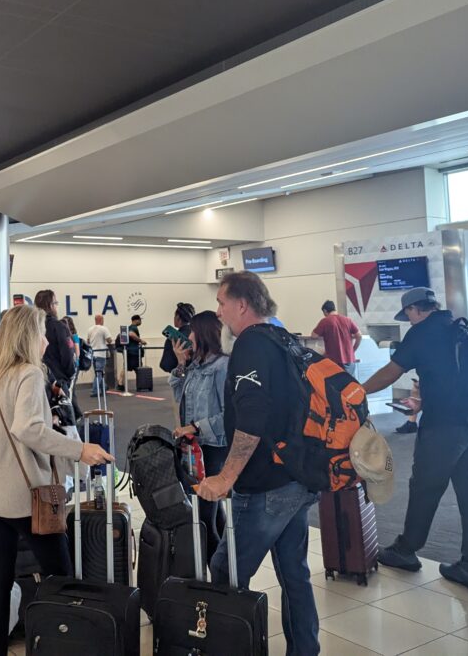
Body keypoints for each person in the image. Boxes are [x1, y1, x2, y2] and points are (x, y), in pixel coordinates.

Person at [0, 305, 112, 656]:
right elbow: (28, 429)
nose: (46, 340)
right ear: (27, 337)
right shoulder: (29, 375)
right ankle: (64, 644)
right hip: (28, 497)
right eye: (41, 332)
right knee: (61, 578)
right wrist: (79, 450)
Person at [196, 272, 320, 656]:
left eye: (221, 303)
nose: (219, 312)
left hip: (266, 484)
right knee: (294, 573)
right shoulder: (284, 339)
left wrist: (225, 476)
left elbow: (251, 420)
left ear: (242, 305)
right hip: (297, 476)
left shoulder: (250, 345)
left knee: (226, 572)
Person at [362, 287, 468, 591]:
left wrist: (357, 391)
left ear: (412, 311)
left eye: (407, 314)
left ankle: (406, 550)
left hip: (444, 425)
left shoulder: (421, 333)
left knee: (424, 487)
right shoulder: (460, 327)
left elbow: (391, 372)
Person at [169, 310, 228, 565]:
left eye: (192, 331)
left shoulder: (222, 366)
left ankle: (218, 579)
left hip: (213, 449)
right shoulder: (196, 365)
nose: (188, 336)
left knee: (204, 516)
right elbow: (179, 397)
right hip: (196, 450)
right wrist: (181, 364)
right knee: (211, 514)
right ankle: (225, 571)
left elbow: (230, 415)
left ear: (203, 333)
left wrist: (195, 427)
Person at [35, 290, 78, 418]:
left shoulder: (33, 327)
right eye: (56, 303)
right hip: (58, 383)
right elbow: (68, 355)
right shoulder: (59, 326)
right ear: (51, 305)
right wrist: (69, 375)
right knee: (63, 421)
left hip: (39, 380)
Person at [311, 300, 362, 376]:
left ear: (325, 311)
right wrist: (353, 350)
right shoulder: (347, 320)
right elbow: (359, 336)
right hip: (350, 361)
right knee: (351, 386)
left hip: (334, 361)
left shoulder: (325, 321)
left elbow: (313, 336)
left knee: (336, 386)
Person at [160, 302, 195, 373]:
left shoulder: (173, 339)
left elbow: (166, 365)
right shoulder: (199, 335)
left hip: (181, 378)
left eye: (174, 316)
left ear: (178, 317)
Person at [85, 314, 113, 399]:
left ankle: (103, 387)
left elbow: (88, 341)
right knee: (99, 373)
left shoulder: (90, 329)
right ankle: (94, 391)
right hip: (101, 354)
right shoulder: (104, 329)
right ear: (100, 320)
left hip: (93, 354)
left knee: (98, 372)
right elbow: (109, 340)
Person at [118, 314, 147, 390]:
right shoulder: (134, 328)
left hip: (128, 351)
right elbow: (131, 334)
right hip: (134, 352)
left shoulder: (129, 327)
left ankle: (120, 384)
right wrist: (141, 340)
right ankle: (141, 384)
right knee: (138, 369)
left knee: (125, 367)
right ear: (136, 320)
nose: (140, 321)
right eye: (140, 320)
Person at [62, 316, 81, 404]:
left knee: (71, 389)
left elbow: (77, 353)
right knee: (71, 389)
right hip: (71, 364)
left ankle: (75, 411)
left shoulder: (73, 336)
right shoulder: (71, 336)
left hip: (73, 365)